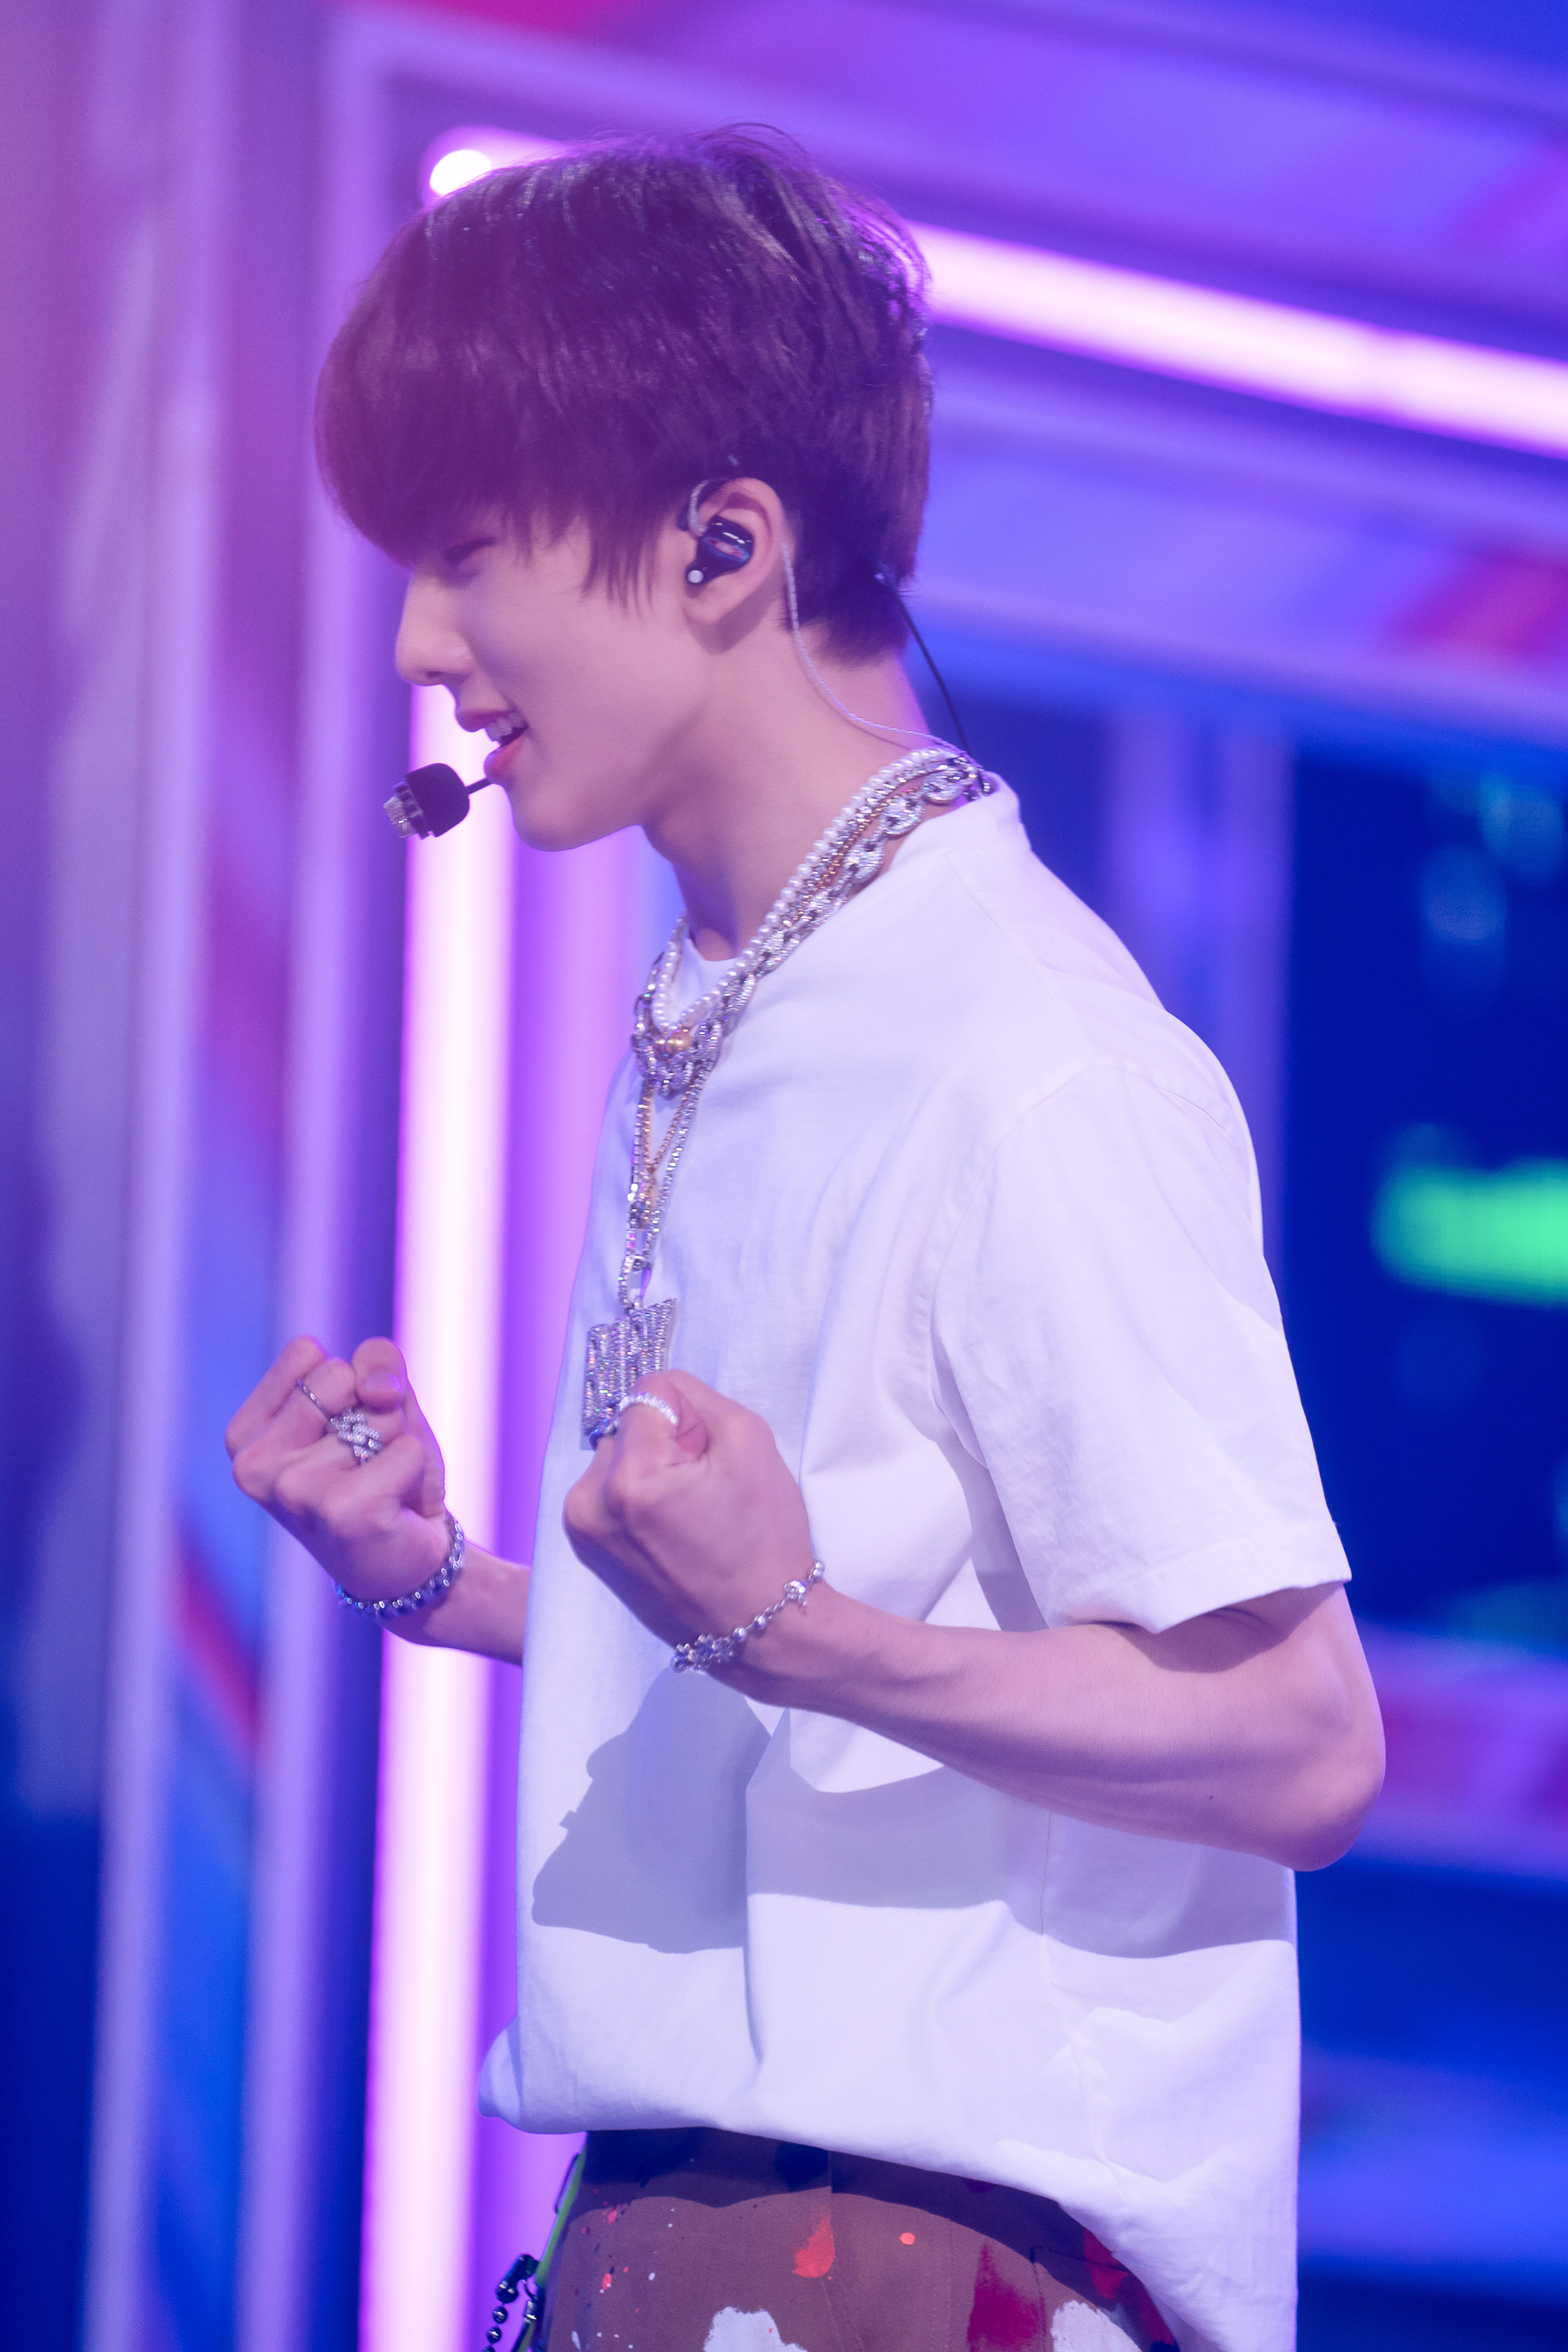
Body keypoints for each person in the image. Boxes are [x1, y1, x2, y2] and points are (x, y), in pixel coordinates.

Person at [226, 132, 1383, 2352]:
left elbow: (1301, 1736)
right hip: (699, 2241)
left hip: (931, 2264)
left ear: (724, 546)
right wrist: (446, 1582)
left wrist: (793, 1625)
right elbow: (818, 1651)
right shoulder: (736, 994)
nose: (418, 645)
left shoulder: (1022, 1049)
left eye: (467, 559)